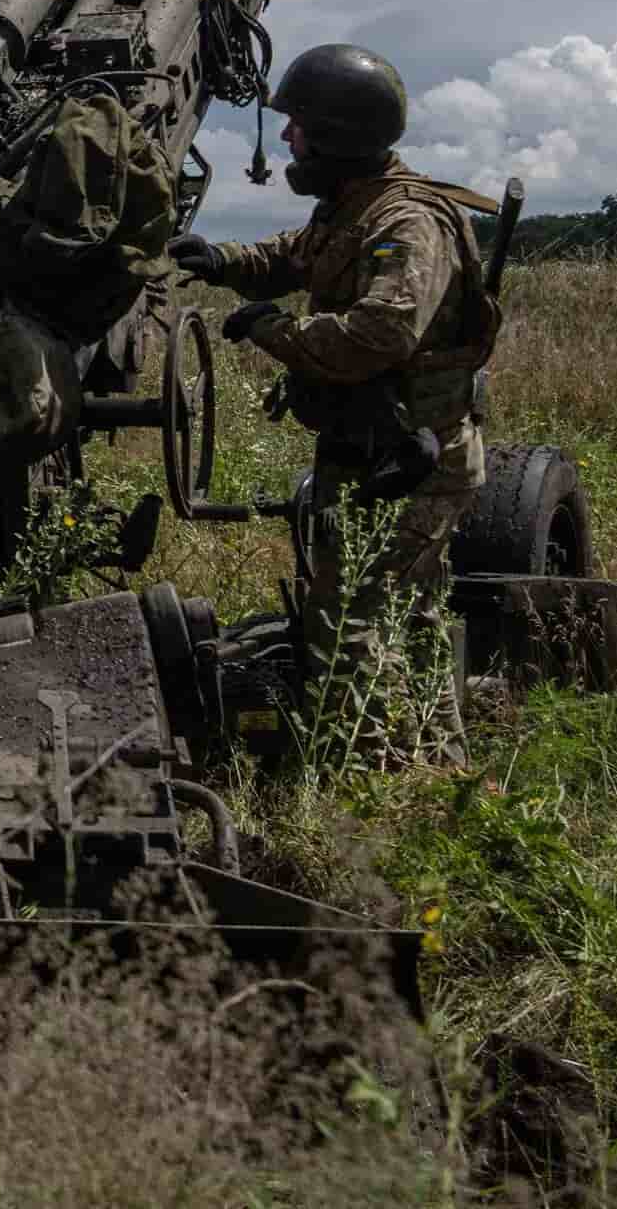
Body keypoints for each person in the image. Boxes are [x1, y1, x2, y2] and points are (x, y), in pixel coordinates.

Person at [168, 42, 501, 744]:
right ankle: (436, 759)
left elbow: (379, 336)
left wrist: (274, 330)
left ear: (338, 135)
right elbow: (294, 254)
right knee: (412, 618)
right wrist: (223, 260)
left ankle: (366, 781)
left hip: (412, 463)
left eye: (299, 125)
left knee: (349, 624)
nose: (286, 137)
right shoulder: (355, 207)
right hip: (378, 455)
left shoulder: (406, 221)